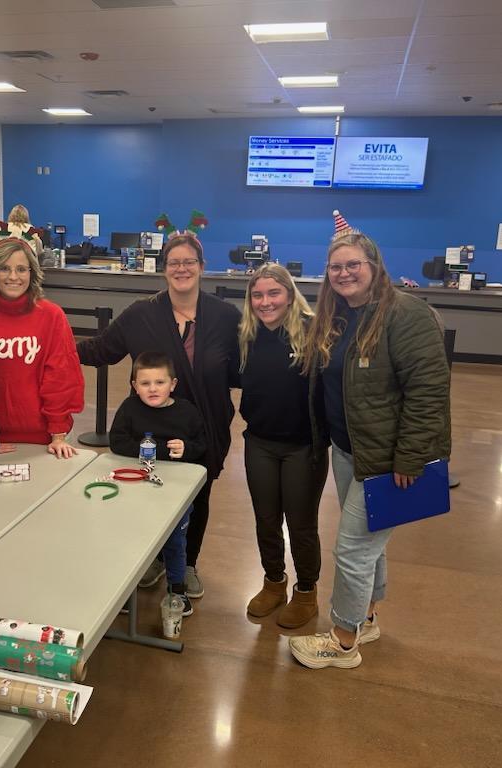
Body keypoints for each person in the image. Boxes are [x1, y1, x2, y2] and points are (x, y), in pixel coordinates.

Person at [289, 227, 450, 670]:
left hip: (388, 460)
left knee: (353, 550)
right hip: (348, 451)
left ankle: (342, 642)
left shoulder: (407, 315)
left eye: (353, 265)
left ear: (374, 268)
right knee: (369, 544)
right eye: (336, 267)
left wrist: (410, 457)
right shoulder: (339, 315)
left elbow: (428, 391)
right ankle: (368, 617)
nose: (344, 274)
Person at [77, 231, 240, 600]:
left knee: (197, 495)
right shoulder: (142, 314)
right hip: (148, 428)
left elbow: (249, 367)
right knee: (149, 493)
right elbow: (101, 350)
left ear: (201, 267)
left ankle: (189, 562)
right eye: (174, 263)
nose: (181, 269)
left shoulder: (226, 317)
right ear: (163, 268)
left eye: (189, 262)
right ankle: (155, 557)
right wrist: (52, 345)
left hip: (204, 427)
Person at [238, 263, 328, 629]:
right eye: (257, 295)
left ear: (290, 294)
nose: (265, 302)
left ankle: (306, 591)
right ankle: (274, 581)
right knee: (266, 519)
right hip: (259, 442)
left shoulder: (313, 333)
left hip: (303, 447)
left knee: (302, 524)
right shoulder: (245, 335)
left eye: (273, 293)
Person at [0, 237, 84, 458]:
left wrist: (58, 433)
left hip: (45, 437)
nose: (13, 277)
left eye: (21, 269)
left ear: (32, 272)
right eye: (4, 269)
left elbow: (61, 377)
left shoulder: (51, 316)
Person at [109, 351, 206, 615]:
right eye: (145, 383)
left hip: (175, 491)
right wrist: (155, 448)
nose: (153, 389)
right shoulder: (129, 409)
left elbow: (202, 446)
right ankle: (125, 591)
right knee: (131, 538)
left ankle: (177, 590)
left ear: (173, 384)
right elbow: (117, 441)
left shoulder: (187, 412)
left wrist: (186, 448)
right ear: (134, 386)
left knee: (175, 541)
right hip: (136, 490)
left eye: (160, 383)